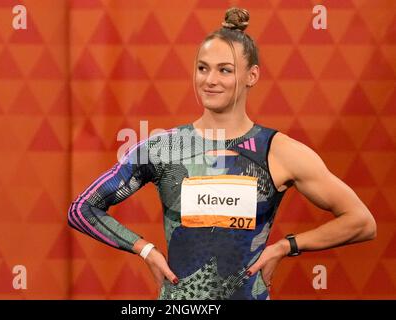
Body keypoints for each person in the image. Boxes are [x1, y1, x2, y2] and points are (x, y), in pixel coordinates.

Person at [68, 7, 377, 300]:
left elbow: (361, 222)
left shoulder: (279, 151)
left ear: (251, 76)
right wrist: (144, 249)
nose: (210, 80)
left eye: (224, 70)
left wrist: (286, 246)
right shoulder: (166, 148)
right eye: (202, 69)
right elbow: (83, 209)